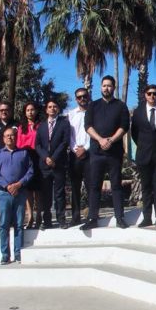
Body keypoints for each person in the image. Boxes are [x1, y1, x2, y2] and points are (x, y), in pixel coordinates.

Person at [80, 75, 130, 230]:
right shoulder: (92, 106)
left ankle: (120, 218)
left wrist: (111, 140)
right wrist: (100, 140)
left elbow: (124, 126)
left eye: (109, 86)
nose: (106, 88)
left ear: (113, 88)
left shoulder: (121, 106)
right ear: (100, 87)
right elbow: (88, 126)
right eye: (104, 85)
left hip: (114, 152)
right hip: (96, 152)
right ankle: (92, 218)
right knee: (94, 185)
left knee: (116, 185)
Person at [0, 127, 33, 264]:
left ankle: (19, 253)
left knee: (19, 224)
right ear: (3, 138)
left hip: (19, 193)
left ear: (16, 137)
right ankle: (5, 255)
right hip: (3, 194)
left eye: (12, 135)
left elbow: (30, 171)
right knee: (4, 225)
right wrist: (8, 186)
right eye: (7, 136)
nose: (10, 138)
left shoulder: (24, 154)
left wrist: (19, 184)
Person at [131, 84, 156, 227]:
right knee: (146, 188)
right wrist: (143, 146)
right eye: (150, 93)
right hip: (144, 155)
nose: (152, 96)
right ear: (145, 95)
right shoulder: (138, 112)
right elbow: (134, 133)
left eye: (155, 94)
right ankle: (147, 218)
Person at [34, 100, 71, 229]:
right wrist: (46, 158)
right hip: (44, 166)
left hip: (58, 164)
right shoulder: (41, 126)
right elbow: (37, 145)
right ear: (46, 110)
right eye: (50, 107)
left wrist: (53, 158)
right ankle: (47, 221)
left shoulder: (64, 124)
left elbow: (65, 142)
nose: (52, 109)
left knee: (59, 193)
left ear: (58, 109)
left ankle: (61, 220)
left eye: (55, 106)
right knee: (46, 194)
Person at [67, 89, 90, 225]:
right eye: (79, 97)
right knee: (75, 186)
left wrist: (85, 148)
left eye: (84, 96)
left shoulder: (93, 113)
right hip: (75, 154)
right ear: (76, 99)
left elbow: (94, 133)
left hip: (89, 153)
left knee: (91, 185)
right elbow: (69, 135)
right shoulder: (71, 115)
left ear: (88, 97)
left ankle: (92, 214)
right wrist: (76, 149)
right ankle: (75, 216)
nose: (82, 99)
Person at [16, 102, 40, 229]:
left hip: (38, 157)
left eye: (32, 109)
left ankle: (39, 216)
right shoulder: (21, 128)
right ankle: (30, 217)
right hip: (26, 158)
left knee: (38, 190)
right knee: (28, 190)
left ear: (36, 111)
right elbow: (19, 144)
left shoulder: (41, 125)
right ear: (25, 113)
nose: (30, 112)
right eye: (28, 110)